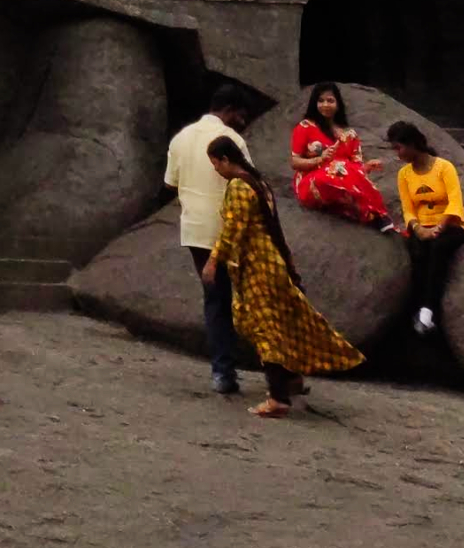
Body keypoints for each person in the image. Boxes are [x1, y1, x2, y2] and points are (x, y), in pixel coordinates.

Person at [203, 135, 361, 417]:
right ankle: (291, 379)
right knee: (279, 322)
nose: (215, 169)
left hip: (257, 265)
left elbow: (233, 229)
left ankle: (278, 397)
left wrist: (214, 260)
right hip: (271, 261)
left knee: (265, 329)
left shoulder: (239, 186)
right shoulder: (258, 182)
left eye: (215, 163)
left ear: (226, 160)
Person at [164, 82, 265, 397]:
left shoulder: (181, 138)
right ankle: (278, 368)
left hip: (195, 230)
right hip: (232, 230)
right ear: (230, 111)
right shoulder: (232, 140)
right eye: (242, 115)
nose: (243, 122)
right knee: (253, 298)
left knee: (216, 301)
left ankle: (223, 372)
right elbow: (250, 182)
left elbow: (171, 183)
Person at [384, 121, 464, 334]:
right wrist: (418, 228)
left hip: (451, 225)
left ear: (412, 143)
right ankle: (419, 312)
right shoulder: (404, 174)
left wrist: (439, 227)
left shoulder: (443, 167)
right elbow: (408, 209)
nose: (398, 153)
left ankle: (428, 309)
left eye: (399, 147)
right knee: (417, 254)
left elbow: (455, 202)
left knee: (438, 248)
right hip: (422, 226)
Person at [286, 85, 387, 229]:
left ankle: (375, 214)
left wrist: (367, 166)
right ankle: (365, 211)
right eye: (320, 101)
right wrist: (320, 160)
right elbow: (294, 162)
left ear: (338, 104)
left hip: (341, 182)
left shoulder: (350, 135)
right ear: (314, 104)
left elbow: (357, 170)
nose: (325, 105)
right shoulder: (305, 127)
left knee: (346, 171)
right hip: (312, 182)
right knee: (338, 166)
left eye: (330, 100)